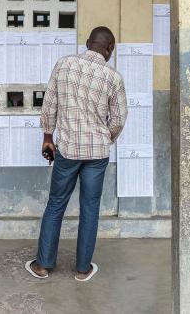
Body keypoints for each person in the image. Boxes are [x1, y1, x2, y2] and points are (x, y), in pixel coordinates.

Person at [25, 26, 128, 282]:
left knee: (56, 204)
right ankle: (83, 269)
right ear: (110, 49)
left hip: (68, 151)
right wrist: (106, 137)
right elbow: (119, 119)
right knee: (90, 208)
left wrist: (48, 137)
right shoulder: (113, 77)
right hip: (97, 154)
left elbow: (49, 104)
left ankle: (43, 265)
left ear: (86, 43)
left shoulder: (64, 65)